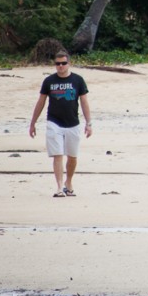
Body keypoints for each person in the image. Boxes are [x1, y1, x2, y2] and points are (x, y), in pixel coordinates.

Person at [28, 50, 92, 197]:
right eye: (58, 64)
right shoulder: (49, 81)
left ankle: (68, 183)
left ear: (69, 63)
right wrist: (33, 123)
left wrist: (89, 123)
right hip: (54, 122)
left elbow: (84, 102)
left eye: (63, 63)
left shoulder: (78, 80)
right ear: (55, 65)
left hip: (73, 123)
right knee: (57, 155)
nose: (61, 66)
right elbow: (41, 102)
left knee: (72, 156)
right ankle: (58, 187)